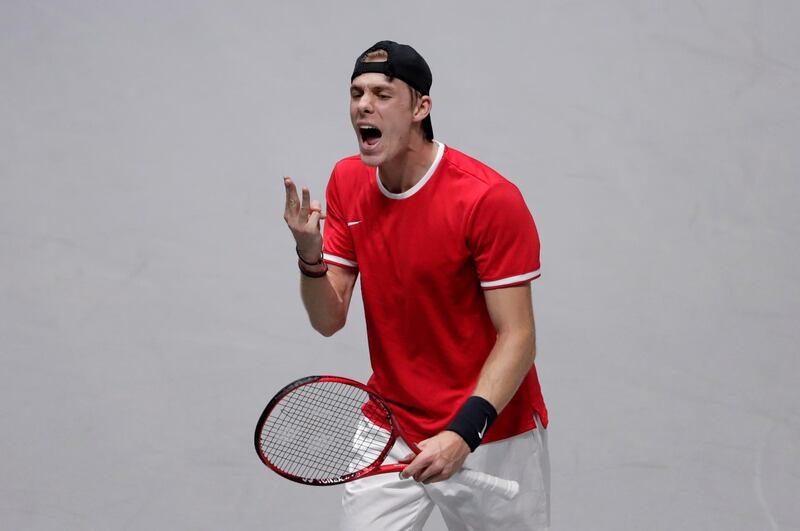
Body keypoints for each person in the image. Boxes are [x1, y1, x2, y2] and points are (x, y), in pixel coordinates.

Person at [283, 40, 550, 530]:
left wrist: (463, 434)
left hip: (489, 432)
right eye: (356, 92)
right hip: (392, 426)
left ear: (421, 108)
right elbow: (328, 319)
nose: (364, 105)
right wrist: (308, 253)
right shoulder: (347, 181)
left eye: (383, 94)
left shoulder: (488, 199)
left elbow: (519, 336)